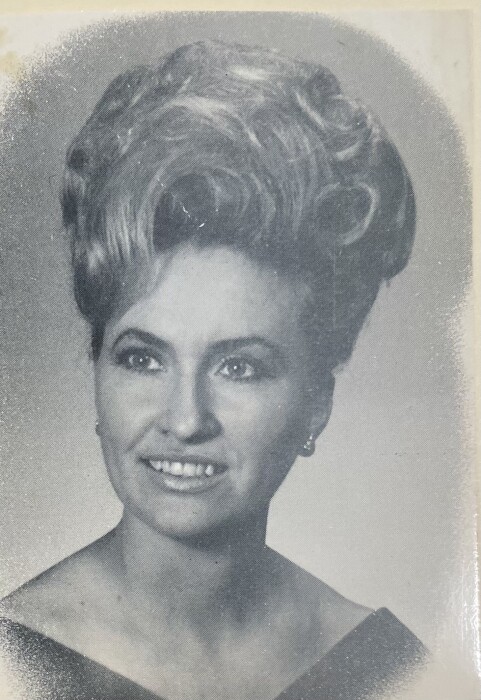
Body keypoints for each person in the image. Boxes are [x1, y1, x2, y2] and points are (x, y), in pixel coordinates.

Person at [0, 40, 427, 699]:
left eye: (239, 368)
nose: (184, 420)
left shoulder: (392, 670)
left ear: (317, 400)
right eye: (142, 358)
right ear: (96, 370)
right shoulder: (16, 664)